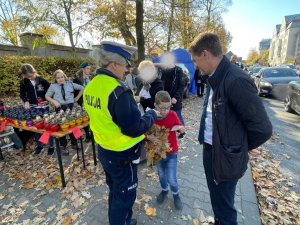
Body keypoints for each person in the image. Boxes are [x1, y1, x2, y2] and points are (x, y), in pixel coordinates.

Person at [189, 33, 272, 225]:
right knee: (218, 202)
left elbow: (262, 129)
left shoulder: (236, 80)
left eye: (195, 60)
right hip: (212, 151)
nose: (195, 65)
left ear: (205, 54)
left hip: (225, 156)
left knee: (225, 208)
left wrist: (235, 148)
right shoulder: (214, 76)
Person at [83, 41, 158, 225]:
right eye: (125, 65)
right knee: (125, 196)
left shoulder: (92, 85)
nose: (126, 70)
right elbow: (133, 128)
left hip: (105, 150)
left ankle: (125, 220)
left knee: (116, 191)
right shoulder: (118, 90)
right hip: (123, 154)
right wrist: (150, 115)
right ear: (114, 64)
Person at [147, 91, 185, 210]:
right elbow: (143, 131)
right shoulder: (150, 116)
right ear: (155, 105)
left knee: (171, 178)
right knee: (162, 175)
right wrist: (148, 137)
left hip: (172, 152)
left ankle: (176, 194)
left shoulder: (172, 115)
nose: (165, 111)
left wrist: (181, 129)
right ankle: (164, 190)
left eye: (168, 107)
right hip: (158, 152)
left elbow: (179, 126)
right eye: (162, 108)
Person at [45, 69, 84, 156]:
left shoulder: (70, 84)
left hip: (70, 106)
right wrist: (54, 102)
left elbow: (82, 88)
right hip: (60, 107)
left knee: (73, 124)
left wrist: (76, 98)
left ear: (64, 77)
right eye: (58, 78)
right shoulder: (53, 86)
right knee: (61, 126)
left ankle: (74, 143)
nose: (60, 79)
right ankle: (63, 145)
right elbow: (47, 96)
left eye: (62, 77)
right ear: (55, 79)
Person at [19, 64, 54, 155]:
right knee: (36, 126)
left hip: (44, 107)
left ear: (34, 71)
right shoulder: (23, 82)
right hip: (34, 108)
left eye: (32, 75)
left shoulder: (42, 80)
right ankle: (39, 145)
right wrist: (26, 101)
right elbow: (22, 94)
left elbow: (50, 92)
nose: (30, 78)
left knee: (47, 125)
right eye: (28, 76)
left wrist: (47, 101)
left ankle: (51, 145)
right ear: (24, 75)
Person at [159, 53, 186, 127]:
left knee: (177, 114)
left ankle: (182, 130)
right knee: (168, 115)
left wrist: (176, 97)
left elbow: (181, 86)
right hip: (166, 97)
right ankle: (170, 129)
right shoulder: (164, 70)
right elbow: (161, 84)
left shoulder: (178, 70)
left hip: (175, 98)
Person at [73, 61, 92, 142]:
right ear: (82, 69)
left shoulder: (89, 78)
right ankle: (87, 134)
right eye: (87, 69)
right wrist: (76, 100)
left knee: (91, 117)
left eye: (90, 69)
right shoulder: (76, 79)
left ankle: (92, 133)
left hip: (90, 100)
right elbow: (74, 92)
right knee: (84, 118)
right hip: (81, 101)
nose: (89, 70)